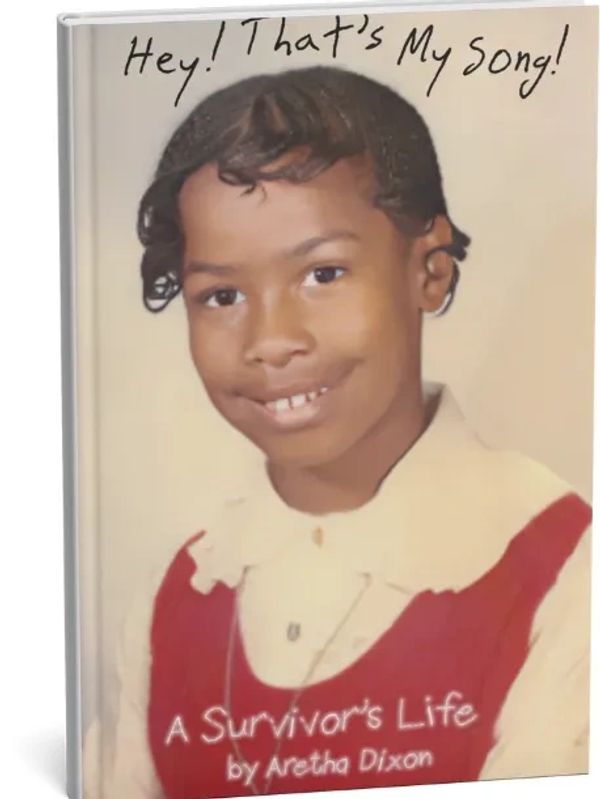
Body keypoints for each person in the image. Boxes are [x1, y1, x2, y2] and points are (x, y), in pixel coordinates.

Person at [83, 66, 592, 799]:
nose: (271, 340)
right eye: (221, 295)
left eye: (322, 274)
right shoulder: (179, 594)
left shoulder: (562, 565)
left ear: (430, 271)